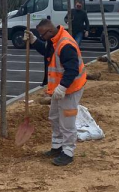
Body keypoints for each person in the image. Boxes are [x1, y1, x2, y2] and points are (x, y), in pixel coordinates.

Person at [25, 18, 87, 166]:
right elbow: (47, 52)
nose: (42, 38)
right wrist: (34, 41)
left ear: (50, 31)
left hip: (71, 88)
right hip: (60, 88)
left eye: (42, 35)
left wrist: (63, 87)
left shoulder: (65, 45)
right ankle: (57, 146)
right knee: (54, 116)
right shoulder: (54, 40)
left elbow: (72, 70)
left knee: (67, 121)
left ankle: (68, 152)